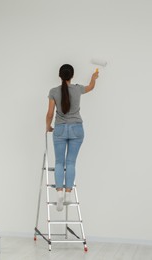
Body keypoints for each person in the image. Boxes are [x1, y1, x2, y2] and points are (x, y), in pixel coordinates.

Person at [46, 64, 99, 211]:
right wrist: (94, 78)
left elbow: (50, 113)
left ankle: (59, 195)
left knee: (58, 162)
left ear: (59, 75)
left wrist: (48, 126)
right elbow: (91, 87)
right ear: (72, 76)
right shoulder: (77, 89)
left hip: (60, 129)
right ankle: (68, 194)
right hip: (76, 128)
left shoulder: (53, 91)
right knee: (70, 162)